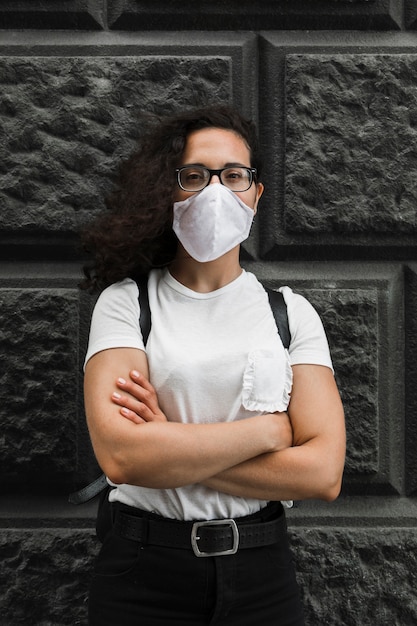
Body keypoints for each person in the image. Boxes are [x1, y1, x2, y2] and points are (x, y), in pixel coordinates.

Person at [81, 104, 346, 626]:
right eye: (195, 176)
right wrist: (270, 431)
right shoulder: (126, 304)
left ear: (256, 194)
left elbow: (322, 473)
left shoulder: (290, 313)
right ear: (169, 190)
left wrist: (172, 447)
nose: (216, 191)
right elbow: (124, 458)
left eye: (234, 176)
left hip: (261, 579)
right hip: (142, 577)